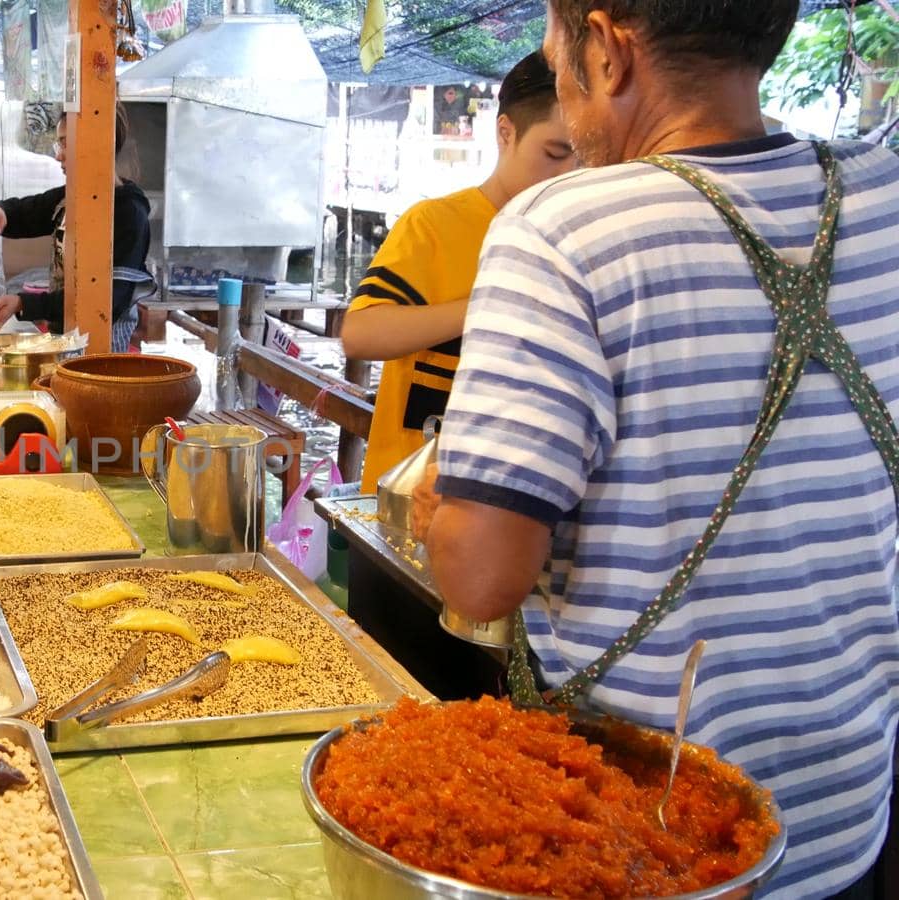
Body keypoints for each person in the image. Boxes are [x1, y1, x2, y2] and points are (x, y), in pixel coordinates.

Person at [415, 1, 899, 896]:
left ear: (608, 49)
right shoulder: (884, 194)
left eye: (557, 52)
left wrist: (449, 500)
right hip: (850, 806)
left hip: (652, 834)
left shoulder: (561, 230)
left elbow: (481, 579)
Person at [342, 51, 574, 489]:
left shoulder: (579, 236)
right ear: (506, 132)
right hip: (409, 494)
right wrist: (489, 306)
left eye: (588, 158)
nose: (570, 174)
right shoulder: (433, 224)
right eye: (556, 152)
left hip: (518, 495)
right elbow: (361, 334)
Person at [0, 110, 151, 351]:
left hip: (103, 350)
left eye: (66, 143)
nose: (59, 156)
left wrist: (24, 303)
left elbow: (107, 300)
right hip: (66, 340)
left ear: (97, 142)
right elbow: (25, 212)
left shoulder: (128, 213)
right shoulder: (70, 197)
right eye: (59, 143)